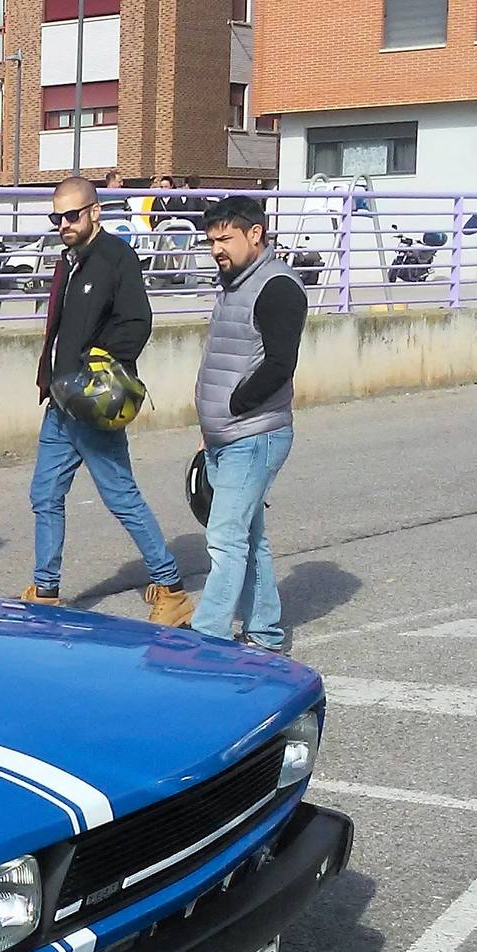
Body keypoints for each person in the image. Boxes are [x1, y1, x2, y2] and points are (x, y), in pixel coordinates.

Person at [26, 176, 193, 626]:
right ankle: (45, 590)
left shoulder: (117, 258)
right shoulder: (70, 260)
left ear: (95, 212)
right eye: (56, 217)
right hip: (61, 404)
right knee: (44, 493)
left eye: (72, 215)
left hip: (94, 405)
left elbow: (137, 322)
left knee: (121, 497)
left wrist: (100, 362)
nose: (63, 223)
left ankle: (172, 588)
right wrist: (54, 379)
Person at [190, 195, 307, 652]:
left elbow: (280, 364)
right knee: (249, 536)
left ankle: (209, 634)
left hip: (256, 434)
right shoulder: (235, 283)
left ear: (255, 234)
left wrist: (235, 405)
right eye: (211, 240)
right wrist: (211, 425)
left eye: (225, 238)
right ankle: (264, 630)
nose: (216, 249)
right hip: (227, 435)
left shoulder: (277, 288)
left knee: (224, 537)